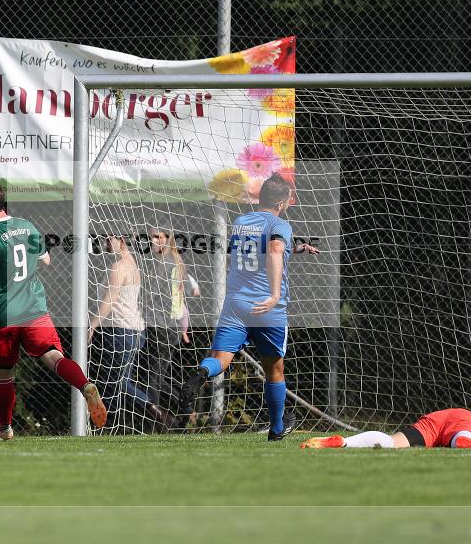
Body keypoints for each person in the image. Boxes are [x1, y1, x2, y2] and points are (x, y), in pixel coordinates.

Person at [0, 179, 106, 439]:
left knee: (3, 375)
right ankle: (85, 386)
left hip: (3, 314)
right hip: (34, 309)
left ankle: (4, 427)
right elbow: (46, 260)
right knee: (54, 357)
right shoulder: (27, 226)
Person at [178, 173, 319, 440]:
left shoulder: (241, 222)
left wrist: (297, 248)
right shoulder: (280, 224)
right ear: (281, 202)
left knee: (220, 359)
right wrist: (275, 294)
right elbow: (275, 250)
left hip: (236, 304)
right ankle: (277, 428)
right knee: (274, 370)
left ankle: (200, 374)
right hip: (267, 308)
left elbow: (258, 249)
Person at [88, 233, 172, 429]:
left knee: (114, 383)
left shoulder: (118, 267)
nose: (106, 243)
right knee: (119, 382)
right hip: (134, 332)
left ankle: (151, 413)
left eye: (110, 239)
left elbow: (109, 300)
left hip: (121, 331)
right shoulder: (132, 263)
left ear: (122, 241)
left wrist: (93, 325)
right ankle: (117, 423)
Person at [300, 394, 471, 449]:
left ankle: (343, 442)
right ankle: (466, 442)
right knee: (465, 437)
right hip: (465, 425)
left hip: (445, 416)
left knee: (395, 442)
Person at [142, 226, 200, 413]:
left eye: (158, 237)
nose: (153, 241)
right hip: (172, 326)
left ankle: (155, 419)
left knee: (152, 377)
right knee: (157, 375)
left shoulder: (165, 263)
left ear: (168, 239)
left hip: (163, 325)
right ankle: (186, 408)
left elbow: (156, 295)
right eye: (152, 237)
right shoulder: (176, 260)